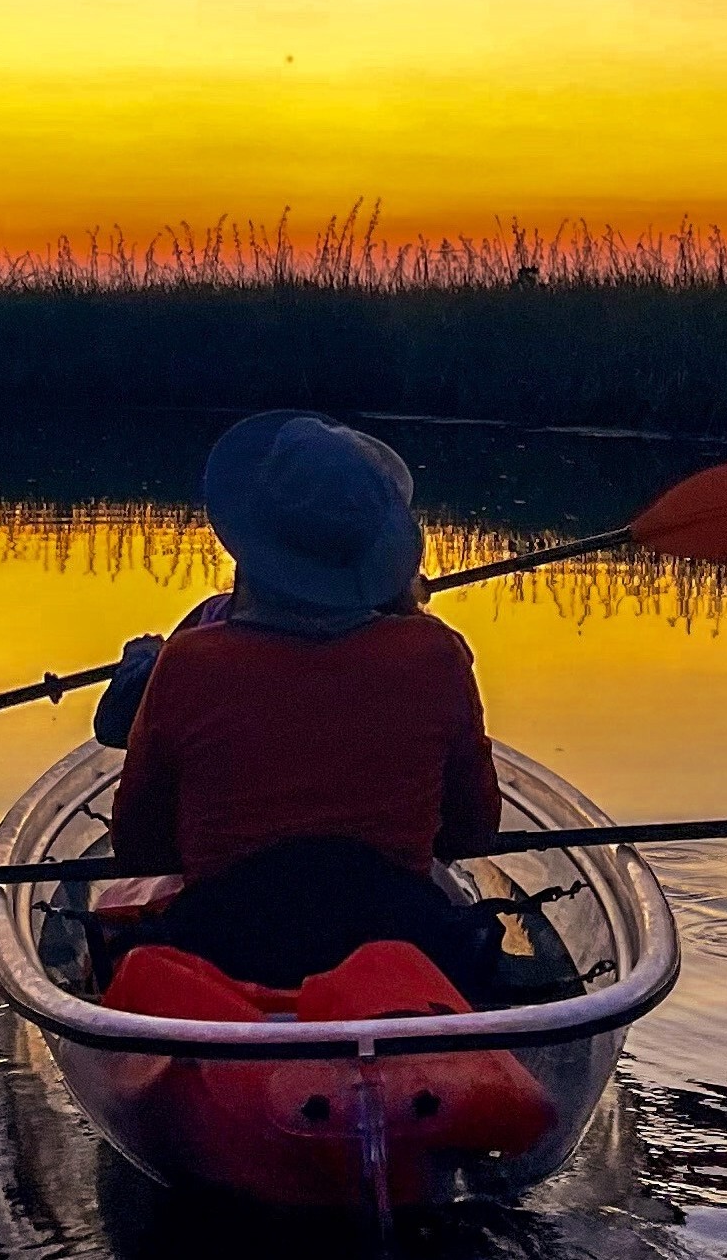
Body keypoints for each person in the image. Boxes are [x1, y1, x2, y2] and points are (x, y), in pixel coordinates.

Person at [97, 410, 505, 990]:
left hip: (226, 953)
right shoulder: (436, 654)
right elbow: (473, 834)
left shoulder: (188, 662)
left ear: (250, 541)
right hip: (403, 946)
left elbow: (140, 850)